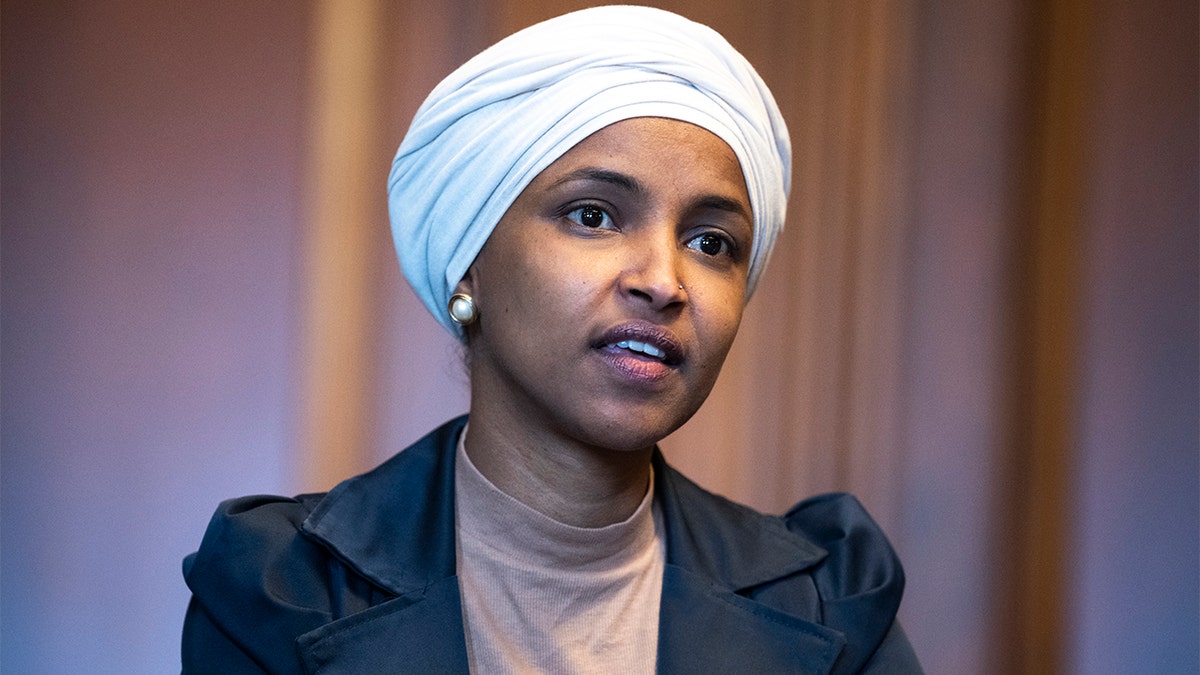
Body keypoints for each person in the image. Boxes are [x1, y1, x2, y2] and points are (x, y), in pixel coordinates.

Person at [182, 6, 922, 673]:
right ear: (469, 262)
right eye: (593, 216)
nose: (664, 280)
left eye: (710, 241)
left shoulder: (832, 602)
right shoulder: (280, 588)